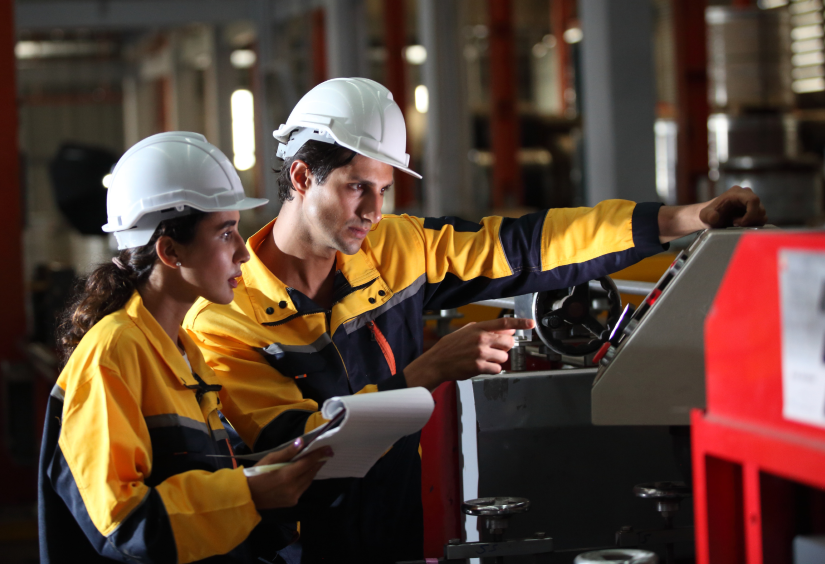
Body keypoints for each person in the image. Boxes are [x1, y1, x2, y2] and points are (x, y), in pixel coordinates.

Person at [182, 78, 768, 562]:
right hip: (316, 542)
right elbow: (297, 448)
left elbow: (526, 245)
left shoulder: (397, 247)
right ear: (303, 177)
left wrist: (684, 217)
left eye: (384, 189)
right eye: (358, 187)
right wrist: (428, 370)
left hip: (417, 513)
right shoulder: (223, 319)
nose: (375, 212)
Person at [38, 131, 331, 564]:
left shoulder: (182, 351)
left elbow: (196, 479)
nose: (243, 253)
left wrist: (272, 476)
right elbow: (124, 525)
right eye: (225, 233)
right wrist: (249, 493)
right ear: (170, 251)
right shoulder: (113, 352)